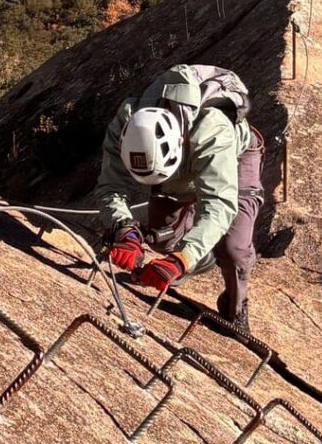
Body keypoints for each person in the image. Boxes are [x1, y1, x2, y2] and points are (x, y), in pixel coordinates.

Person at [97, 62, 263, 335]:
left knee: (233, 248)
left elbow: (219, 206)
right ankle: (201, 258)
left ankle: (236, 304)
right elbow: (110, 186)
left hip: (233, 159)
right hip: (177, 176)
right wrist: (124, 229)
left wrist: (181, 260)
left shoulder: (213, 130)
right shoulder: (126, 122)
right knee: (164, 238)